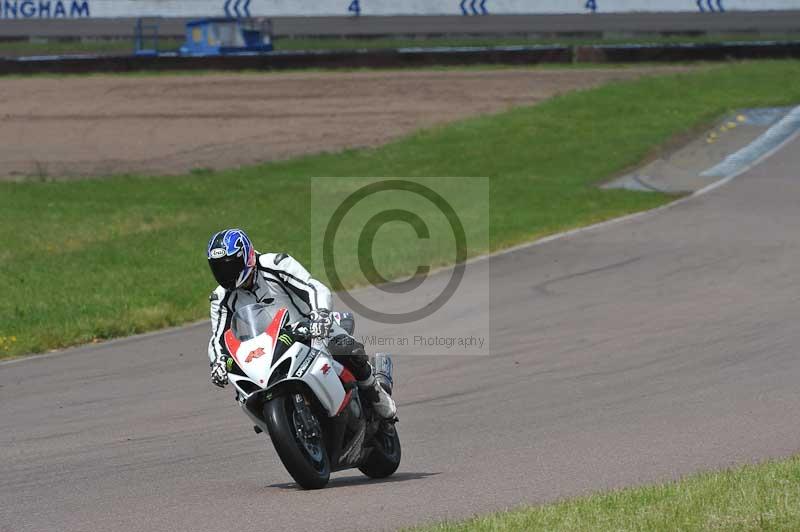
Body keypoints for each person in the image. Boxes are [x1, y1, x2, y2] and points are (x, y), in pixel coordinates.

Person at [205, 228, 396, 419]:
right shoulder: (220, 298)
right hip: (267, 350)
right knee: (244, 391)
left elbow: (313, 287)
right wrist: (217, 362)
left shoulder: (275, 264)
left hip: (309, 329)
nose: (225, 274)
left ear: (245, 257)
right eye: (219, 268)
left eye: (230, 266)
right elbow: (218, 337)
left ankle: (375, 392)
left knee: (347, 350)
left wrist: (320, 315)